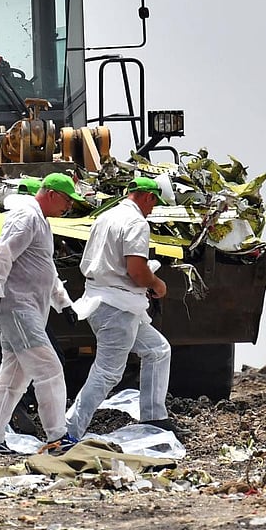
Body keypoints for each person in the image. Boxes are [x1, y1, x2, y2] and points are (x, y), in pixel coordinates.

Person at [66, 177, 189, 441]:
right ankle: (69, 431)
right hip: (116, 306)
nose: (153, 210)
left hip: (107, 300)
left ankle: (155, 419)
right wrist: (157, 283)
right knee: (107, 373)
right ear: (148, 197)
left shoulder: (106, 216)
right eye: (154, 203)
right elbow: (136, 270)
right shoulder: (136, 223)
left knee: (157, 350)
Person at [0, 173, 81, 455]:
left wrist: (64, 302)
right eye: (67, 200)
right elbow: (0, 255)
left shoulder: (41, 221)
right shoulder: (27, 217)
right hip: (18, 308)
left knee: (12, 379)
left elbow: (45, 268)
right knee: (49, 369)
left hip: (25, 309)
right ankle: (57, 436)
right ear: (50, 194)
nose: (69, 206)